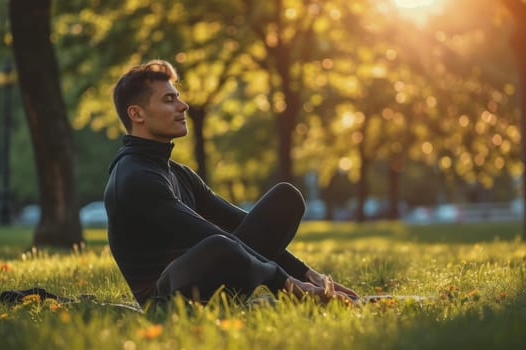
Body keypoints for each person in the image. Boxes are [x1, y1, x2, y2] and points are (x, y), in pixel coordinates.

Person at [104, 59, 357, 307]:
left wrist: (305, 273)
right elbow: (208, 234)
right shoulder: (134, 177)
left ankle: (271, 287)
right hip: (167, 298)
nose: (183, 106)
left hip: (215, 272)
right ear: (137, 114)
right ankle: (289, 291)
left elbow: (236, 222)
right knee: (219, 243)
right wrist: (287, 283)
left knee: (285, 199)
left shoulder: (178, 173)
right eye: (169, 100)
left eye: (178, 97)